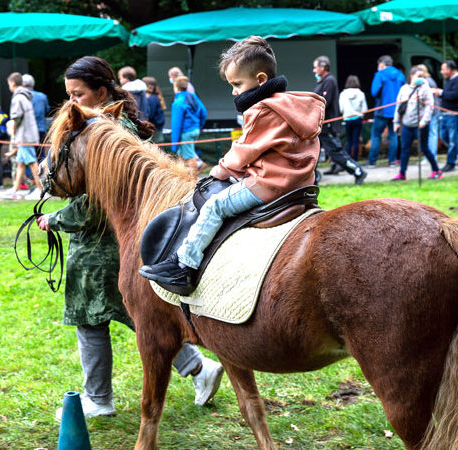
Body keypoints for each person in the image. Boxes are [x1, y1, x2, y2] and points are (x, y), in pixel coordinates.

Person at [35, 56, 222, 419]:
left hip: (104, 245)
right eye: (68, 95)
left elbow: (95, 203)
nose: (72, 103)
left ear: (101, 92)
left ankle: (98, 397)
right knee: (141, 315)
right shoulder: (111, 123)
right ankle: (199, 368)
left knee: (91, 318)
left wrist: (55, 219)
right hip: (125, 240)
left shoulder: (105, 131)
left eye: (78, 94)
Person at [139, 36, 325, 294]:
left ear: (261, 80)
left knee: (215, 205)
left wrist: (221, 169)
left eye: (237, 84)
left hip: (269, 183)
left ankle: (184, 264)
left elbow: (244, 149)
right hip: (299, 182)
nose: (234, 92)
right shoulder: (294, 107)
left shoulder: (261, 109)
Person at [312, 56, 367, 184]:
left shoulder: (329, 81)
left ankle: (358, 171)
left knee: (336, 153)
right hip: (320, 125)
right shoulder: (323, 81)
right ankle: (312, 178)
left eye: (315, 67)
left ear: (323, 67)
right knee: (313, 152)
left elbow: (324, 103)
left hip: (328, 125)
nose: (314, 70)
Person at [392, 66, 438, 181]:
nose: (421, 78)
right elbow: (399, 106)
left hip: (420, 125)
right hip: (407, 124)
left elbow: (430, 106)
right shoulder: (404, 89)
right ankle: (402, 174)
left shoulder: (425, 89)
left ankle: (436, 170)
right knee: (405, 149)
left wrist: (424, 121)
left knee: (424, 148)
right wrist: (396, 122)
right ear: (411, 76)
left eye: (422, 76)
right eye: (419, 76)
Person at [3, 72, 43, 200]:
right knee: (20, 163)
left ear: (13, 83)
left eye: (9, 83)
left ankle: (41, 189)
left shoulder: (17, 97)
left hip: (24, 137)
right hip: (27, 135)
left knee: (31, 162)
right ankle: (15, 190)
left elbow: (16, 118)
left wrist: (11, 130)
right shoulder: (24, 96)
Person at [434, 60, 458, 172]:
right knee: (444, 137)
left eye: (443, 69)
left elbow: (454, 95)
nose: (441, 72)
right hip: (445, 113)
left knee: (453, 139)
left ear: (449, 70)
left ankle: (451, 162)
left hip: (454, 114)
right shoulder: (449, 80)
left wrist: (440, 93)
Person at [367, 55, 405, 167]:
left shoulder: (379, 75)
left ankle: (372, 161)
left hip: (382, 111)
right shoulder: (400, 75)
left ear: (382, 64)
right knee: (393, 135)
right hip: (396, 111)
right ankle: (392, 161)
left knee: (376, 135)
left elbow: (374, 92)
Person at [171, 76, 207, 175]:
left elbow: (176, 125)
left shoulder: (178, 103)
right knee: (182, 155)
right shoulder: (193, 96)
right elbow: (203, 112)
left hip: (186, 132)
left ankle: (193, 181)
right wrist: (198, 126)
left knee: (190, 156)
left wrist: (174, 144)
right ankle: (182, 177)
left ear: (176, 88)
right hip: (195, 130)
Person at [338, 75, 367, 161]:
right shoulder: (361, 93)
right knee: (356, 140)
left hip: (347, 119)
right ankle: (355, 159)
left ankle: (348, 160)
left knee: (349, 140)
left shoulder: (343, 94)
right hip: (358, 119)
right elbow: (365, 109)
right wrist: (360, 115)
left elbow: (341, 108)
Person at [21, 73, 50, 150]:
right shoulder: (42, 96)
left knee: (27, 155)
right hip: (41, 129)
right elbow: (47, 110)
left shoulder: (21, 97)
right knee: (41, 154)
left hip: (27, 131)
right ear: (33, 84)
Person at [142, 76, 166, 143]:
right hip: (158, 128)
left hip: (154, 130)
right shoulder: (156, 96)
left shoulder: (151, 99)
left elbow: (151, 115)